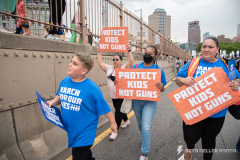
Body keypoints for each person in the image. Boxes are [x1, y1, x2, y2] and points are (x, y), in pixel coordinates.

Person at [175, 37, 240, 160]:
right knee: (190, 137)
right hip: (194, 110)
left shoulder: (226, 65)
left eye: (210, 47)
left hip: (217, 112)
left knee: (209, 139)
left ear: (217, 50)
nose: (206, 49)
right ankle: (189, 150)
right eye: (204, 46)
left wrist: (237, 83)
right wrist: (183, 80)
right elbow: (177, 80)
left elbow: (238, 78)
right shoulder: (193, 63)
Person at [47, 53, 117, 160]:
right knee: (85, 155)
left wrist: (113, 123)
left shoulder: (92, 88)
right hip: (72, 129)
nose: (70, 65)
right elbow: (60, 96)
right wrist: (52, 102)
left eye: (75, 64)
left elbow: (104, 107)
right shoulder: (64, 81)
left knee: (79, 155)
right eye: (71, 61)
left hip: (85, 132)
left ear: (84, 71)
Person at [131, 45, 167, 160]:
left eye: (150, 53)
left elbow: (163, 88)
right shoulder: (135, 67)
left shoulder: (159, 70)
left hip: (150, 102)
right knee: (141, 125)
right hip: (136, 101)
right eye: (145, 52)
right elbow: (128, 82)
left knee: (146, 127)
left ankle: (144, 152)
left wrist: (161, 87)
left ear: (155, 55)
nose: (147, 54)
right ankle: (145, 139)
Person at [97, 45, 134, 140]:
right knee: (120, 110)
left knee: (117, 112)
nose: (115, 61)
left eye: (117, 59)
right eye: (113, 59)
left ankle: (115, 131)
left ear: (121, 61)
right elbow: (100, 63)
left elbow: (131, 62)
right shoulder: (109, 68)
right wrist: (99, 52)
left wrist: (129, 50)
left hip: (122, 94)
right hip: (113, 95)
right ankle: (126, 120)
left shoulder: (124, 68)